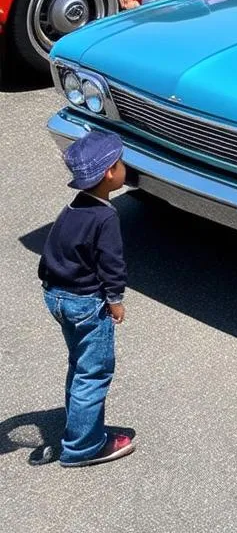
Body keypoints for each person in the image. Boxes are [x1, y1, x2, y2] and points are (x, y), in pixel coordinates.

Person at [38, 130, 135, 467]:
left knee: (79, 364)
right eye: (121, 163)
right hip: (86, 304)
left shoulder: (73, 208)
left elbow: (51, 253)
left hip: (58, 297)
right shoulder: (106, 217)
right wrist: (115, 299)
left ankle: (78, 425)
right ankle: (84, 446)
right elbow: (111, 263)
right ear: (110, 173)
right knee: (93, 372)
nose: (125, 168)